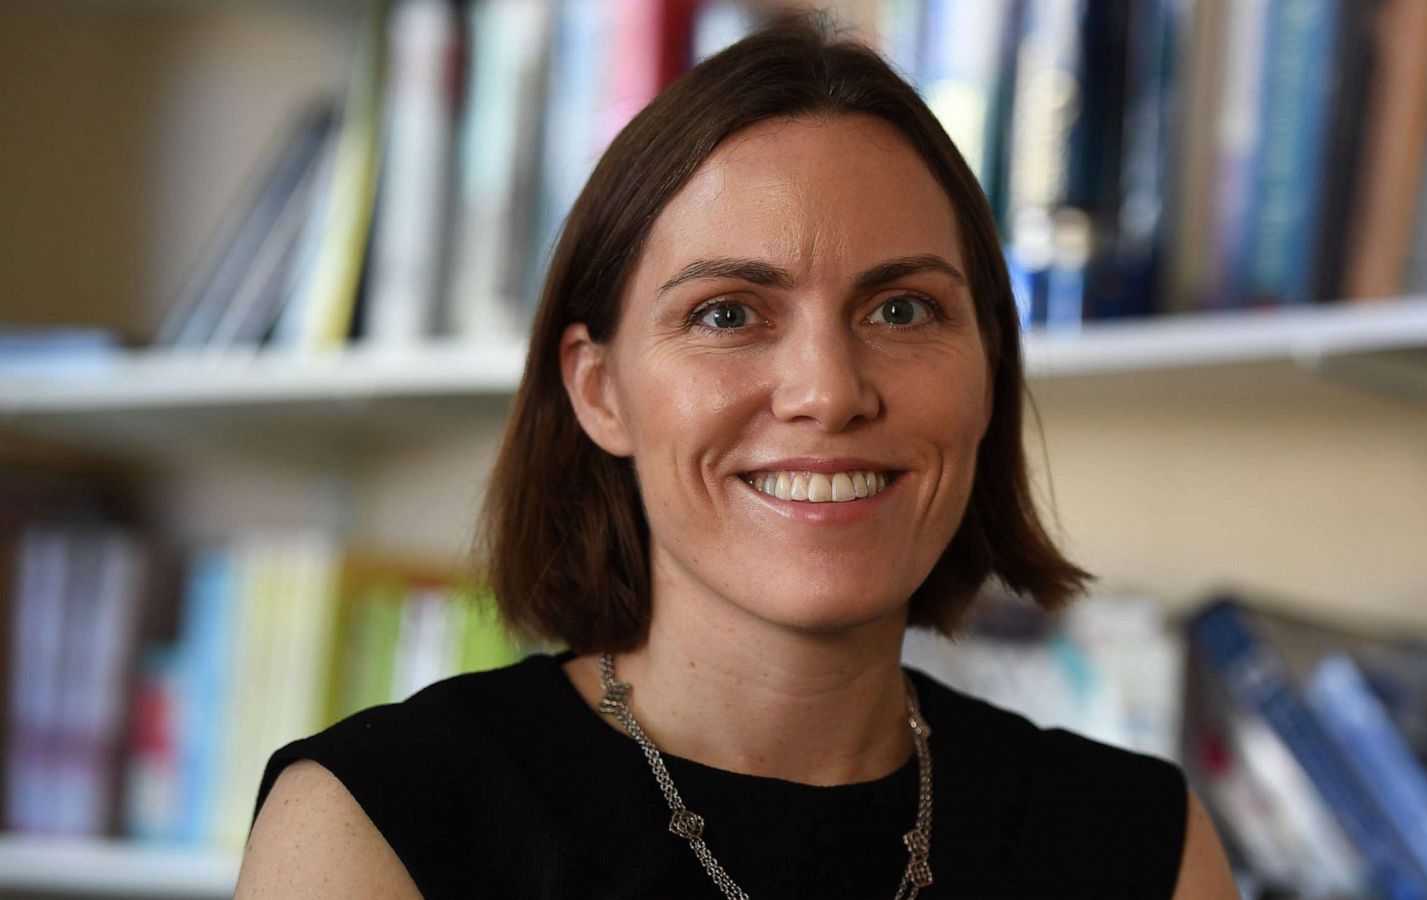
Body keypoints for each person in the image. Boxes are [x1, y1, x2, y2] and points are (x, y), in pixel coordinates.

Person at [236, 12, 1236, 899]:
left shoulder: (1142, 846)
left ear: (987, 370)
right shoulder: (376, 825)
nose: (829, 391)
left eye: (901, 308)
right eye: (727, 314)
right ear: (599, 390)